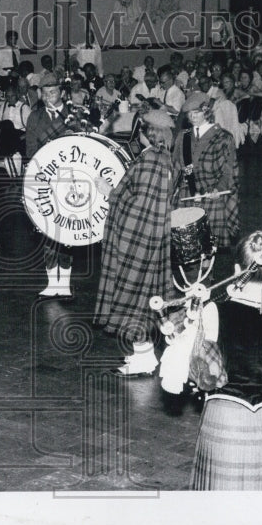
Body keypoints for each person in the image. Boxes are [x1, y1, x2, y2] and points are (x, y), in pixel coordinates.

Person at [182, 231, 262, 490]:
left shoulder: (215, 311)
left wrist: (193, 315)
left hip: (225, 423)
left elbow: (179, 373)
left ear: (237, 269)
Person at [94, 109, 175, 376]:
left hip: (137, 239)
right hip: (152, 238)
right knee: (145, 299)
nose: (137, 134)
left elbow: (139, 206)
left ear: (148, 134)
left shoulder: (150, 160)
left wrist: (109, 193)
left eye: (140, 130)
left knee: (134, 299)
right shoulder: (164, 159)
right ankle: (145, 356)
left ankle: (143, 360)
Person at [25, 72, 75, 297]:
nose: (48, 97)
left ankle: (64, 283)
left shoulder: (75, 115)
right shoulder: (34, 117)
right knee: (48, 232)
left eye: (52, 93)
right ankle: (51, 283)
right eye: (44, 94)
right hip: (44, 180)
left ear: (62, 93)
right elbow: (30, 151)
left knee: (67, 233)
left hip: (70, 181)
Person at [174, 99, 240, 250]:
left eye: (196, 112)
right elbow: (176, 167)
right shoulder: (182, 136)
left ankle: (207, 271)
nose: (192, 116)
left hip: (211, 194)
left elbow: (229, 169)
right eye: (189, 113)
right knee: (184, 244)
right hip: (186, 192)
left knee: (208, 246)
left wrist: (219, 188)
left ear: (206, 112)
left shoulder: (224, 137)